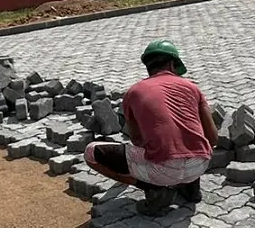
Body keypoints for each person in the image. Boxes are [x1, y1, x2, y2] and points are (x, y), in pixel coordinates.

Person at [83, 40, 218, 216]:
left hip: (162, 170)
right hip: (199, 165)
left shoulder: (134, 92)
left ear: (147, 66)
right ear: (172, 64)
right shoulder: (193, 88)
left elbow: (136, 140)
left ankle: (156, 189)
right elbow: (213, 138)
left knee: (91, 151)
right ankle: (189, 187)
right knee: (187, 141)